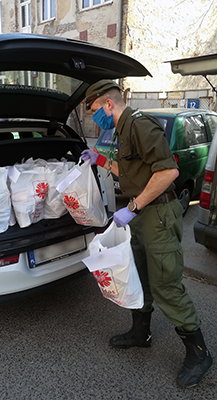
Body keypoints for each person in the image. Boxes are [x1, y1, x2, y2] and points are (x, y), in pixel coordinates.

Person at [81, 79, 212, 388]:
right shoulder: (121, 130)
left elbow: (168, 172)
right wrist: (98, 159)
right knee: (140, 276)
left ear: (109, 104)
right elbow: (127, 170)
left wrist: (134, 206)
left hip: (157, 216)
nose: (94, 117)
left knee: (166, 284)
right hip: (140, 216)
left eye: (95, 110)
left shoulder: (139, 124)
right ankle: (141, 334)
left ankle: (199, 353)